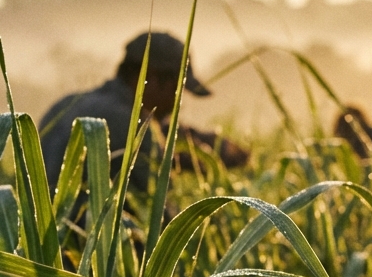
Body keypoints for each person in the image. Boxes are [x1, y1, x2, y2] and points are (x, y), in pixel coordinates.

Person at [39, 31, 247, 191]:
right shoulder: (134, 126)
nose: (178, 103)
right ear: (151, 77)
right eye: (177, 89)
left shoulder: (65, 105)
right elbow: (159, 216)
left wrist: (200, 148)